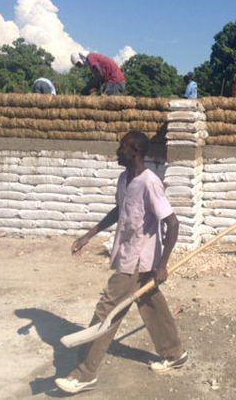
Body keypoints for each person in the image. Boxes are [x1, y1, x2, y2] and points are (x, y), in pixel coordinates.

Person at [55, 131, 187, 394]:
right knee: (150, 303)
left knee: (107, 310)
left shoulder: (150, 183)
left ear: (135, 152)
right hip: (128, 253)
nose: (117, 151)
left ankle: (84, 374)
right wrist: (89, 234)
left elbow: (172, 222)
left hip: (138, 259)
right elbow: (120, 209)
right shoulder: (124, 179)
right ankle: (175, 353)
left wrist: (163, 264)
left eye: (122, 147)